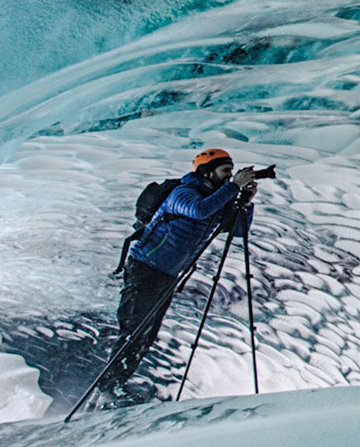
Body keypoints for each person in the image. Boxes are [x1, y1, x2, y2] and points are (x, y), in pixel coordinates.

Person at [96, 148, 257, 396]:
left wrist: (245, 203)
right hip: (145, 269)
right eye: (225, 171)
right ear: (207, 172)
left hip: (168, 276)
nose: (229, 176)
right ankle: (107, 387)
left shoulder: (216, 197)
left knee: (146, 335)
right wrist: (233, 188)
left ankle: (116, 384)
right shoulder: (183, 193)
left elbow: (237, 231)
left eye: (231, 172)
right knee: (133, 330)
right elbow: (199, 210)